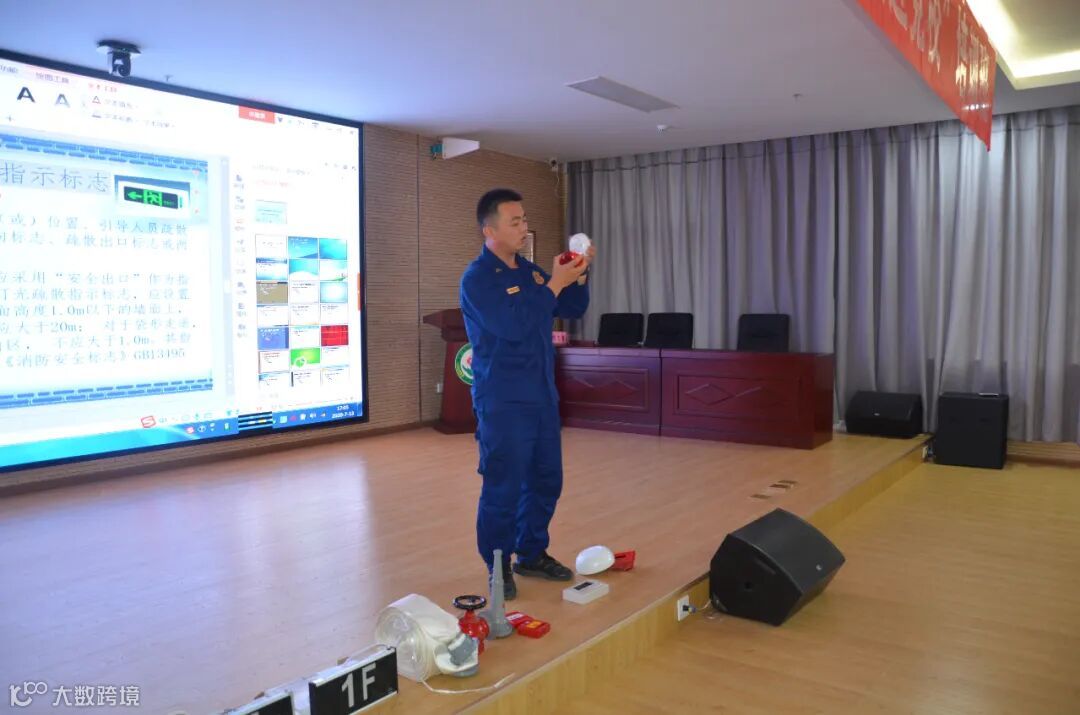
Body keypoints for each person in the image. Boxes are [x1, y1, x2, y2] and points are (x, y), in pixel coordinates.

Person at [459, 188, 595, 600]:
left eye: (524, 219)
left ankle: (531, 553)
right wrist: (554, 284)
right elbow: (515, 326)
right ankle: (498, 566)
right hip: (503, 400)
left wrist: (578, 275)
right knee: (503, 485)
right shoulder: (478, 279)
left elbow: (570, 308)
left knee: (546, 479)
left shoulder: (529, 272)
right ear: (489, 230)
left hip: (541, 396)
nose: (524, 227)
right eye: (515, 221)